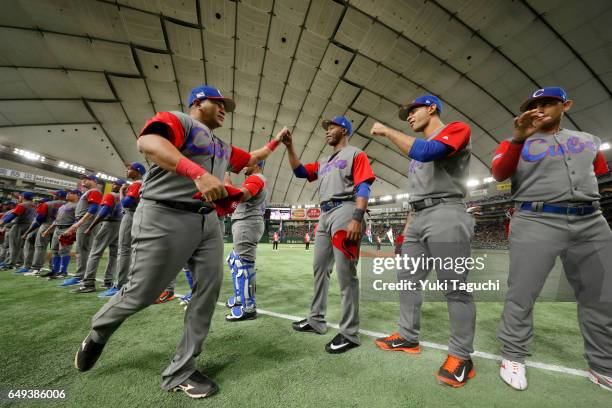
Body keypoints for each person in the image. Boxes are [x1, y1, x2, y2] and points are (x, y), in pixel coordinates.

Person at [73, 84, 288, 399]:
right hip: (164, 214)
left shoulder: (221, 146)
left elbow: (252, 158)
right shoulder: (179, 120)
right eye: (218, 102)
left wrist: (277, 142)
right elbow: (148, 141)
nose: (224, 107)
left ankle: (181, 371)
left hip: (206, 220)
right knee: (141, 294)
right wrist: (197, 172)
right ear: (198, 103)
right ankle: (98, 332)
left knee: (208, 291)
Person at [491, 87, 612, 391]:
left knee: (602, 296)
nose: (540, 109)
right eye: (534, 105)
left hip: (591, 220)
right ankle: (513, 354)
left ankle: (603, 364)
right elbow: (499, 173)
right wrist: (519, 137)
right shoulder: (513, 142)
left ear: (565, 105)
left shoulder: (588, 141)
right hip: (536, 218)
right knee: (523, 293)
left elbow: (598, 173)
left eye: (547, 103)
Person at [370, 94, 477, 387]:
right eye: (406, 114)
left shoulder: (456, 128)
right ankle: (407, 337)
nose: (408, 116)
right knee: (407, 279)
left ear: (431, 108)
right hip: (418, 216)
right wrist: (407, 226)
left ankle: (462, 356)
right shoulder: (416, 151)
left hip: (446, 211)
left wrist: (388, 131)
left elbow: (430, 151)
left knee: (454, 287)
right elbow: (417, 190)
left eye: (412, 111)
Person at [287, 115, 375, 354]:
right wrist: (289, 146)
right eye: (327, 127)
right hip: (324, 215)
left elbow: (364, 185)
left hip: (346, 211)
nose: (327, 130)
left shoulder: (356, 153)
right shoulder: (324, 160)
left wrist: (357, 217)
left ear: (344, 130)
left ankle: (349, 333)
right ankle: (316, 320)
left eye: (332, 127)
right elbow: (299, 172)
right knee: (319, 269)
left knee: (346, 275)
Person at [225, 161, 268, 321]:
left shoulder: (255, 178)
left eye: (247, 163)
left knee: (243, 266)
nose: (243, 166)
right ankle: (239, 298)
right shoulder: (255, 179)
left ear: (256, 164)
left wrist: (226, 175)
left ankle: (249, 308)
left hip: (247, 223)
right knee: (233, 260)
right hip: (246, 222)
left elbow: (240, 196)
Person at [98, 162, 146, 298]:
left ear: (137, 171)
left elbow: (126, 203)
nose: (127, 171)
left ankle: (120, 285)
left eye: (129, 169)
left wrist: (121, 192)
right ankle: (130, 282)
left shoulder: (137, 184)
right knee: (132, 250)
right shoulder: (143, 183)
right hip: (139, 215)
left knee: (124, 250)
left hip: (131, 214)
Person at [72, 179, 125, 293]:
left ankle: (89, 283)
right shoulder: (123, 198)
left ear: (119, 186)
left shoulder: (110, 195)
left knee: (95, 253)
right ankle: (108, 281)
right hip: (120, 225)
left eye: (116, 184)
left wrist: (91, 226)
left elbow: (103, 212)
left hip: (109, 224)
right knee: (114, 255)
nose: (113, 185)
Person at [58, 175, 103, 287]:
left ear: (94, 181)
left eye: (86, 179)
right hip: (83, 222)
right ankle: (82, 276)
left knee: (83, 251)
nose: (83, 180)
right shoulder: (88, 192)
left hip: (86, 223)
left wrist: (78, 224)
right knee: (82, 251)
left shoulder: (94, 191)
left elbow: (93, 209)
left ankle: (80, 277)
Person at [22, 191, 67, 276]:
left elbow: (39, 218)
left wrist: (29, 231)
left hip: (46, 226)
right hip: (61, 228)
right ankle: (54, 268)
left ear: (57, 196)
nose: (53, 196)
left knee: (40, 247)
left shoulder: (47, 204)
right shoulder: (69, 205)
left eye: (54, 195)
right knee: (56, 250)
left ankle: (36, 269)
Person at [41, 190, 81, 279]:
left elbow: (78, 219)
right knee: (54, 250)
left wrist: (72, 230)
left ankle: (63, 272)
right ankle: (55, 271)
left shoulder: (78, 205)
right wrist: (48, 230)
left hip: (67, 229)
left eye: (71, 193)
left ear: (77, 195)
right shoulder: (63, 206)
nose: (68, 194)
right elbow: (56, 220)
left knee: (64, 251)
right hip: (57, 228)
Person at [0, 192, 36, 270]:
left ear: (23, 197)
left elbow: (13, 215)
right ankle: (19, 262)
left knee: (14, 246)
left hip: (20, 226)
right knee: (23, 247)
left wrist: (2, 222)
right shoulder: (34, 205)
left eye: (20, 197)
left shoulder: (22, 205)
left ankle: (10, 263)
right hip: (30, 226)